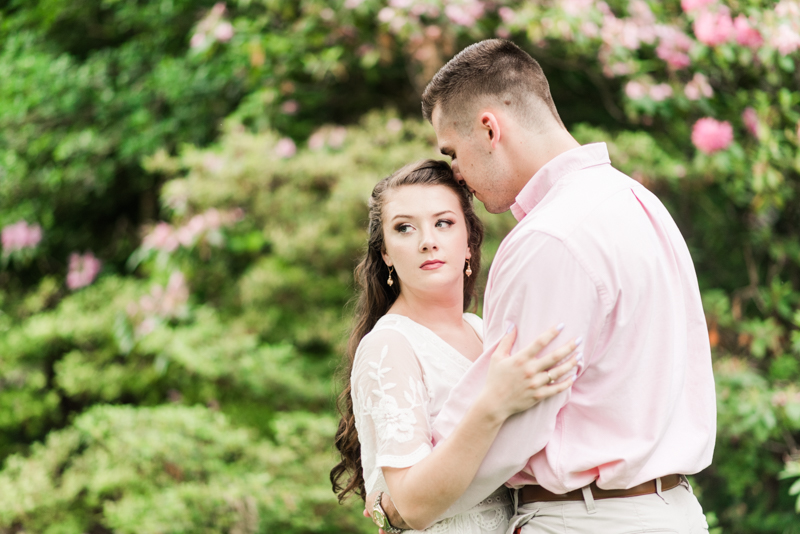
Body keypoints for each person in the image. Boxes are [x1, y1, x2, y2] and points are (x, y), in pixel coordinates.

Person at [367, 39, 716, 533]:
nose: (458, 175)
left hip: (585, 520)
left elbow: (518, 421)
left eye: (453, 151)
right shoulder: (641, 204)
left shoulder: (549, 237)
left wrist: (411, 497)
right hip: (674, 513)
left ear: (489, 128)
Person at [330, 159, 582, 533]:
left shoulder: (484, 331)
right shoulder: (389, 345)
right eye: (404, 228)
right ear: (385, 254)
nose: (427, 240)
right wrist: (493, 403)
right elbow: (410, 505)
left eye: (443, 223)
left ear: (469, 241)